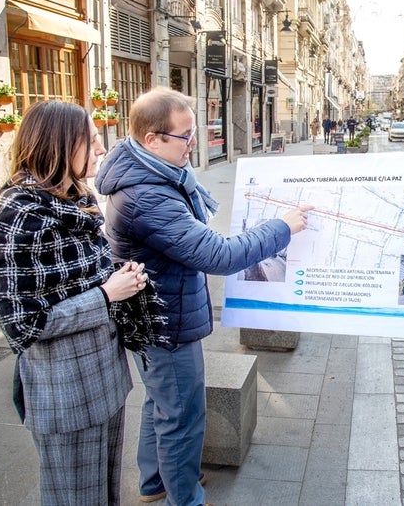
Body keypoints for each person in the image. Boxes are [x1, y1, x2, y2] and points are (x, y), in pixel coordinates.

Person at [95, 87, 312, 506]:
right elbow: (219, 255)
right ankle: (185, 497)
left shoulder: (152, 176)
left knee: (163, 404)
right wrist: (281, 226)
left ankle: (155, 481)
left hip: (156, 315)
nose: (194, 144)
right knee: (182, 415)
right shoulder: (147, 196)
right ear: (152, 139)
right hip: (164, 322)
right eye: (185, 136)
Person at [0, 100, 155, 505]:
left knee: (106, 495)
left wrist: (125, 280)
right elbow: (24, 325)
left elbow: (85, 277)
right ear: (61, 146)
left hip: (106, 380)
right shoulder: (22, 214)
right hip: (64, 393)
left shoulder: (77, 200)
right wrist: (106, 294)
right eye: (93, 140)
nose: (102, 149)